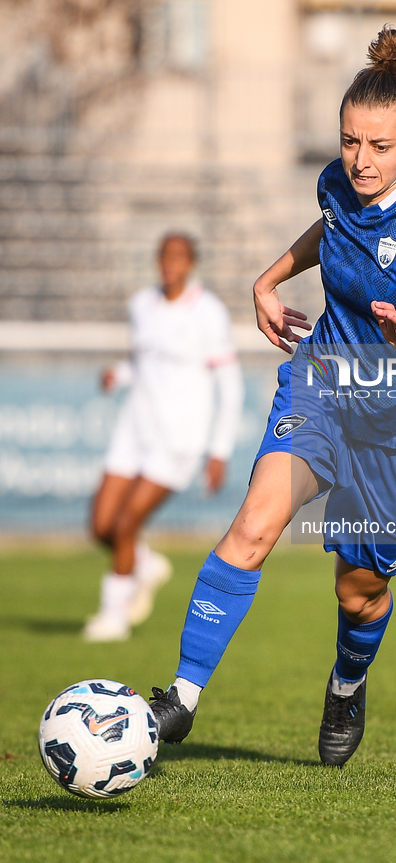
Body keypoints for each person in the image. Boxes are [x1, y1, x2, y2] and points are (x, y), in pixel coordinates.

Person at [149, 29, 396, 765]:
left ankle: (347, 680)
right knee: (254, 523)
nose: (361, 160)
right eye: (349, 142)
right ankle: (179, 699)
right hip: (324, 386)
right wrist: (267, 279)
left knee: (357, 589)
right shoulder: (338, 183)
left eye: (378, 145)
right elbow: (328, 227)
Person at [84, 233, 243, 642]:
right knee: (101, 526)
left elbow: (230, 384)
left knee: (126, 523)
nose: (171, 263)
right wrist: (118, 374)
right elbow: (144, 363)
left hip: (179, 438)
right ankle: (146, 565)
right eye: (165, 256)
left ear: (191, 263)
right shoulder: (142, 305)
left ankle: (113, 618)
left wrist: (218, 450)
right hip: (134, 428)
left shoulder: (208, 312)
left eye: (179, 256)